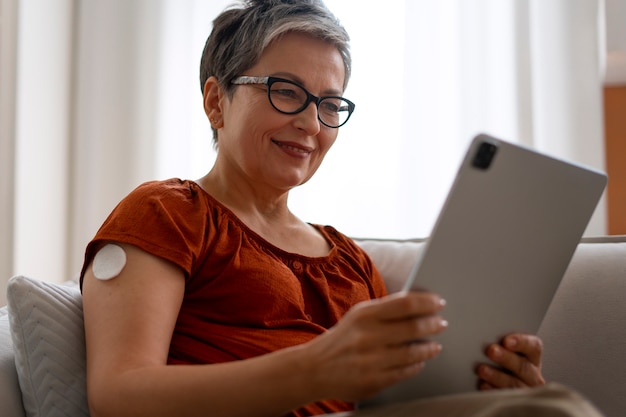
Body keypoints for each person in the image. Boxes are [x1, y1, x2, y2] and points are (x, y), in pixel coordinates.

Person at [79, 1, 603, 417]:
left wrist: (501, 390)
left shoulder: (349, 261)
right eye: (286, 91)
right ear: (217, 101)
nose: (311, 123)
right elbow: (119, 394)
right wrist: (316, 369)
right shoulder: (167, 212)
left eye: (330, 103)